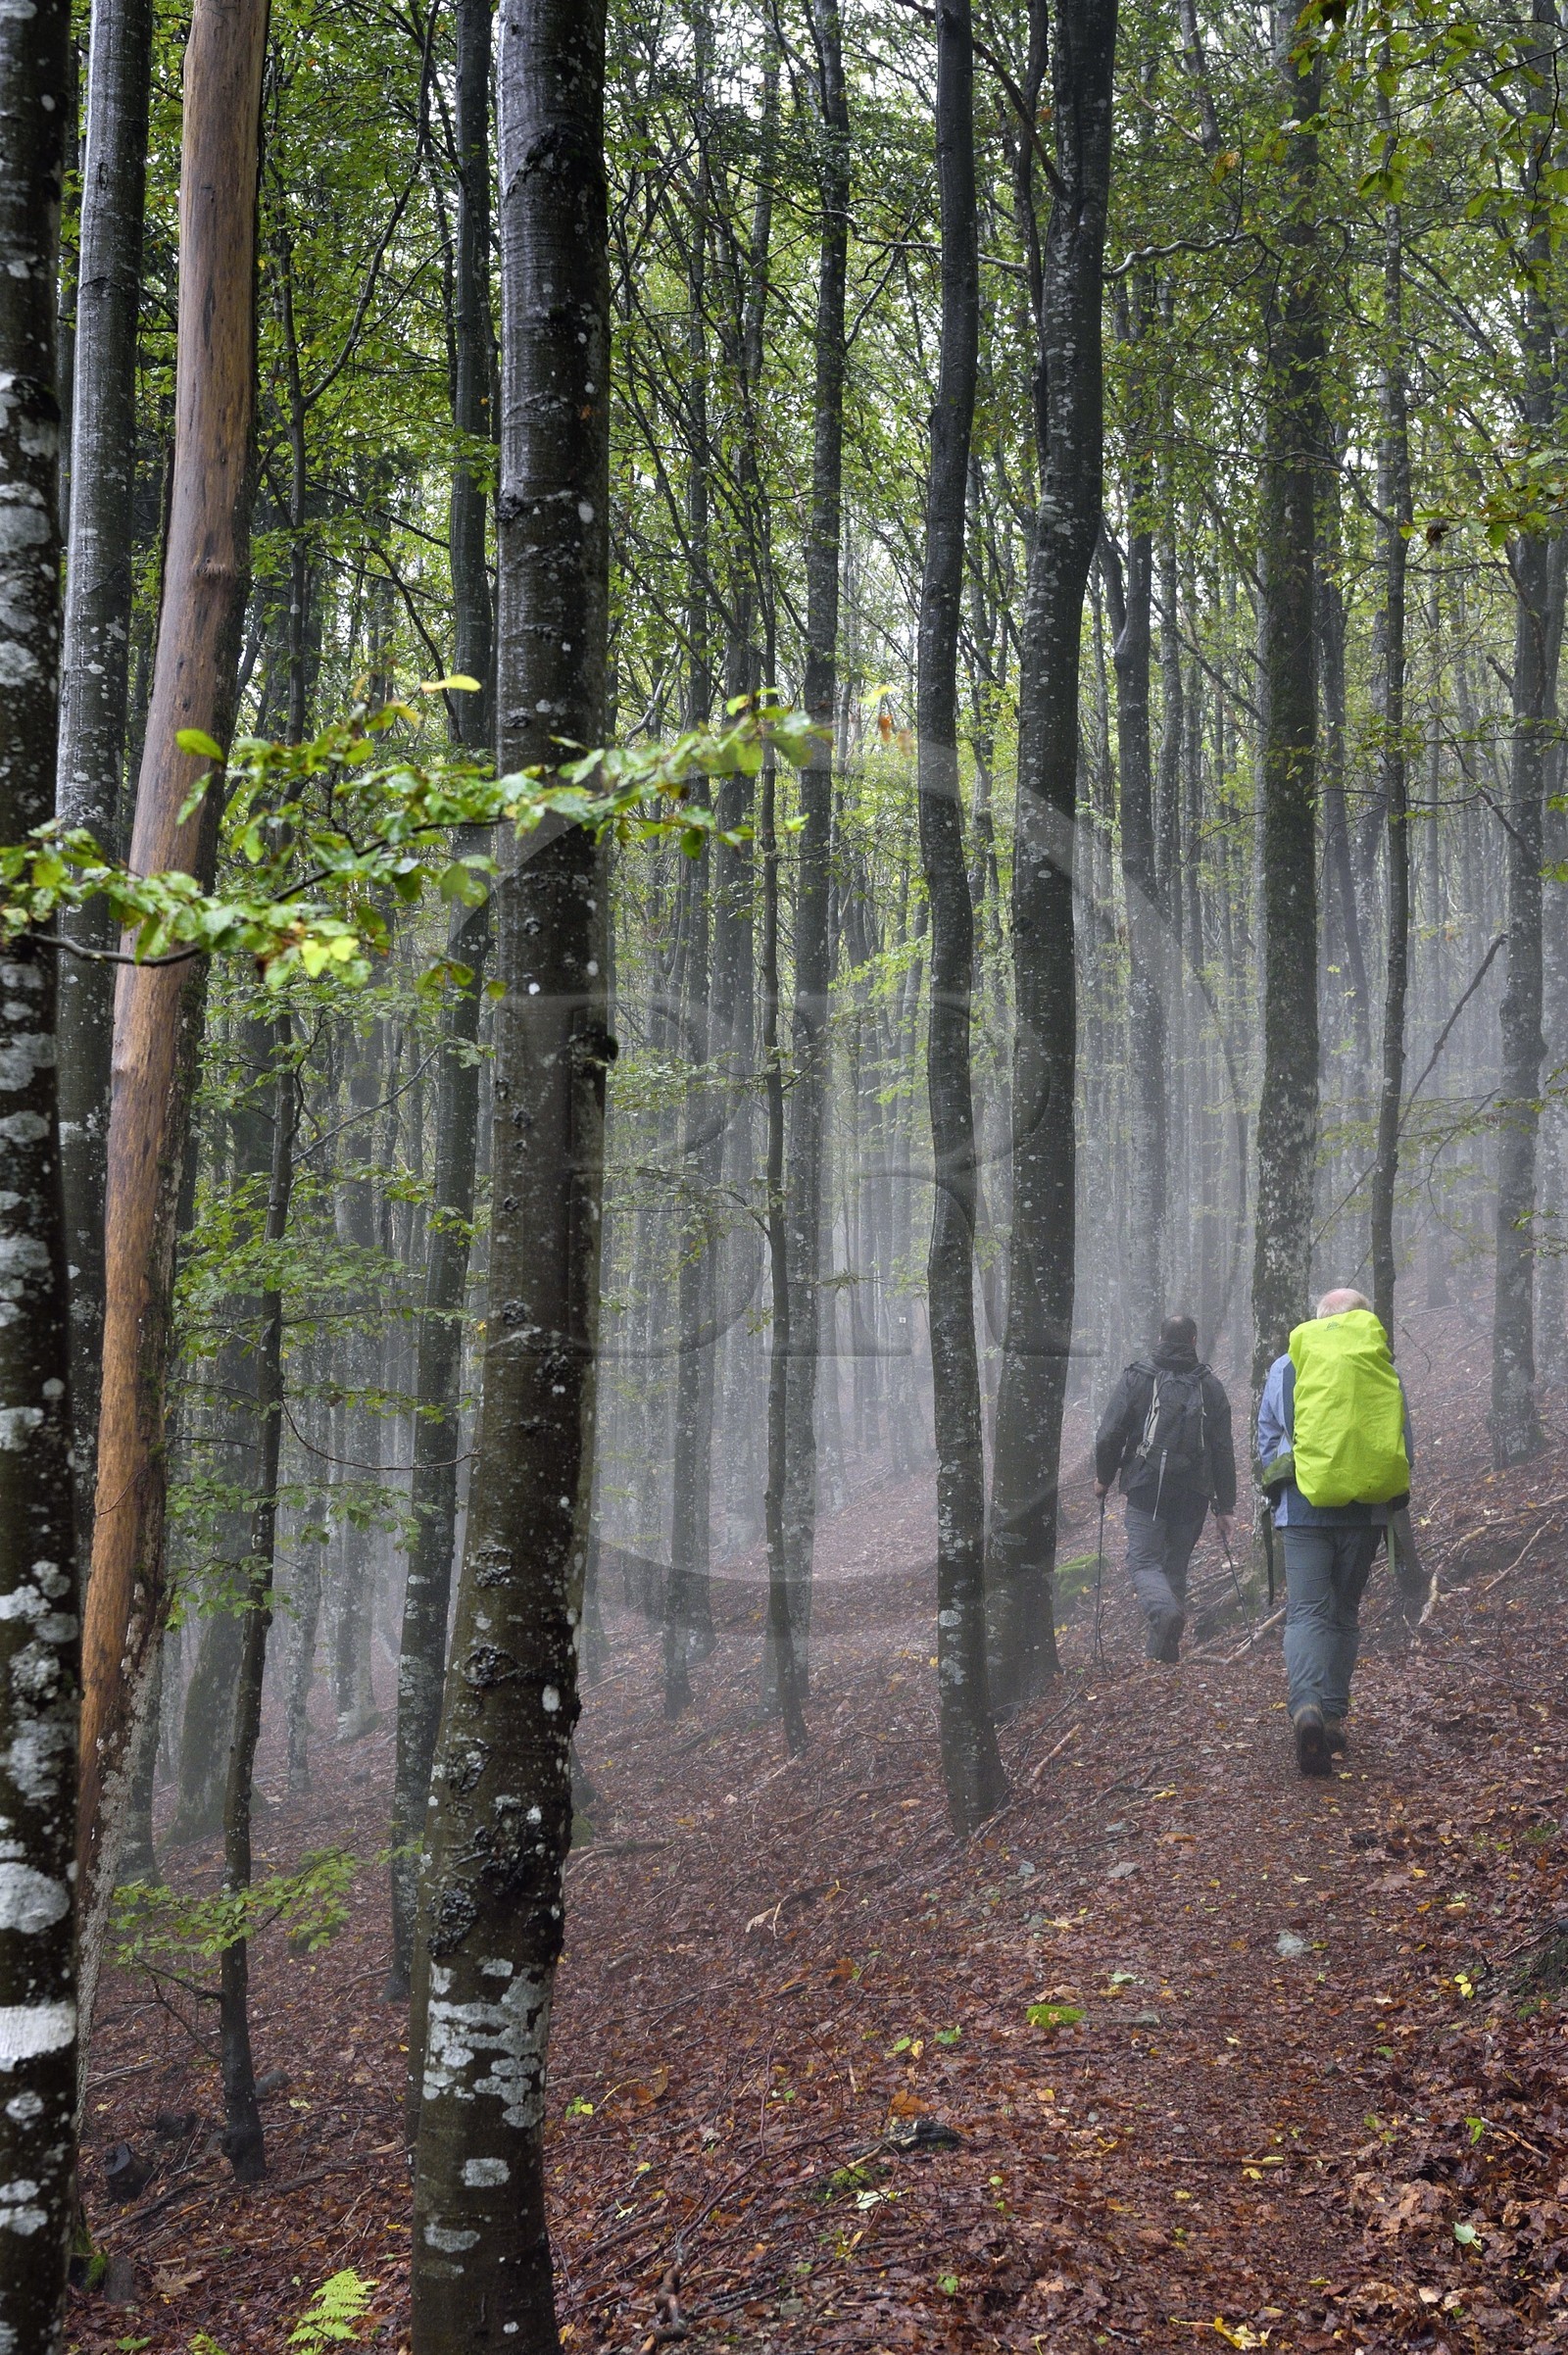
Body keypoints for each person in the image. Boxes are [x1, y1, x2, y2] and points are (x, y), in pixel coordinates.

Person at [1257, 1287, 1414, 1778]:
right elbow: (1400, 1438)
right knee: (1344, 1613)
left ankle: (1306, 1707)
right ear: (1363, 1320)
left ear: (1320, 1320)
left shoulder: (1289, 1365)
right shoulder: (1378, 1363)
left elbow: (1269, 1437)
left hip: (1303, 1508)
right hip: (1366, 1509)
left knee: (1305, 1612)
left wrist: (1280, 1487)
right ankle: (1334, 1715)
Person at [1095, 1314, 1237, 1663]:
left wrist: (1104, 1477)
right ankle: (1163, 1654)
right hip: (1193, 1493)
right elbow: (1222, 1449)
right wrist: (1225, 1507)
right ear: (1193, 1340)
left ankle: (1163, 1613)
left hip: (1146, 1488)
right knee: (1175, 1566)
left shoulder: (1138, 1377)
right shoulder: (1210, 1385)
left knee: (1143, 1560)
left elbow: (1110, 1433)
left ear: (1159, 1337)